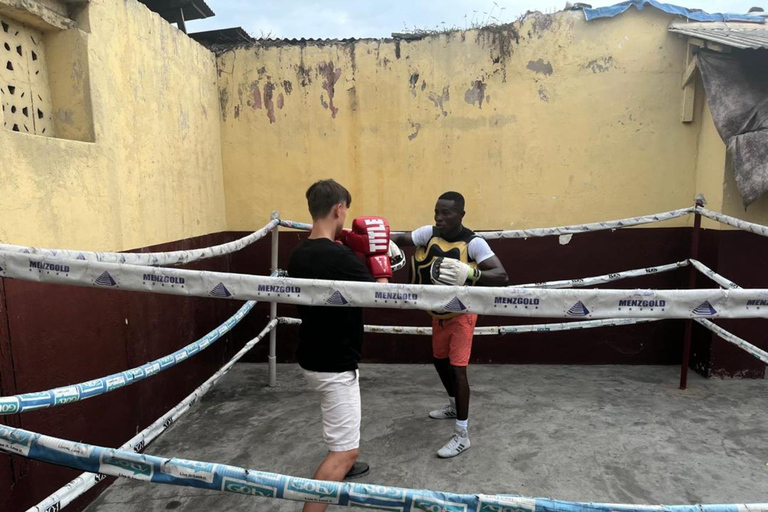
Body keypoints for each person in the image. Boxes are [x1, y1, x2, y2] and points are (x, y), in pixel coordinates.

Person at [288, 179, 398, 512]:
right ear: (339, 209)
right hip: (334, 365)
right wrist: (379, 259)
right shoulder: (339, 258)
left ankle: (344, 466)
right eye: (345, 210)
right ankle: (339, 469)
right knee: (344, 452)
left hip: (313, 353)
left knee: (341, 435)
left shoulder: (299, 253)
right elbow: (382, 296)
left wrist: (352, 248)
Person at [391, 191, 508, 458]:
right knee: (439, 362)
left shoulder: (474, 243)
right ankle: (454, 406)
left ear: (461, 215)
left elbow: (501, 275)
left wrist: (470, 273)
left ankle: (462, 435)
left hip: (462, 315)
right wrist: (384, 242)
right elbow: (401, 238)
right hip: (438, 315)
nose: (439, 218)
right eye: (437, 212)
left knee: (458, 371)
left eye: (446, 213)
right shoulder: (428, 234)